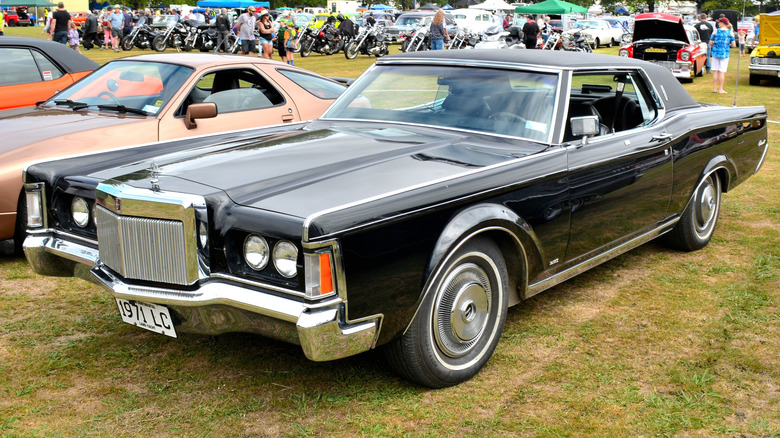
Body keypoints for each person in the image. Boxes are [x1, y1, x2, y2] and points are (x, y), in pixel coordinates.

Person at [710, 17, 736, 94]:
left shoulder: (715, 31)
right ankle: (720, 89)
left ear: (723, 23)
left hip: (715, 52)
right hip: (725, 53)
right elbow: (734, 45)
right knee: (722, 71)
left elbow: (710, 43)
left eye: (719, 22)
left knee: (716, 70)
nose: (718, 23)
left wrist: (714, 46)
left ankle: (714, 88)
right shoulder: (730, 33)